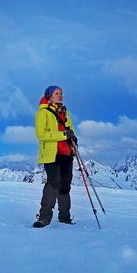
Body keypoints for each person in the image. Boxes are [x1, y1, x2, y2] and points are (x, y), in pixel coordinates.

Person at [33, 85, 78, 228]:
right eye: (57, 93)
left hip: (66, 152)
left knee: (65, 185)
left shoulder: (65, 111)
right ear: (49, 96)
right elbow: (41, 135)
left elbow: (70, 128)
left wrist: (73, 139)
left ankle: (65, 217)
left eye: (61, 93)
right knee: (53, 183)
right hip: (51, 154)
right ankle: (44, 217)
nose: (60, 96)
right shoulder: (43, 112)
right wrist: (64, 135)